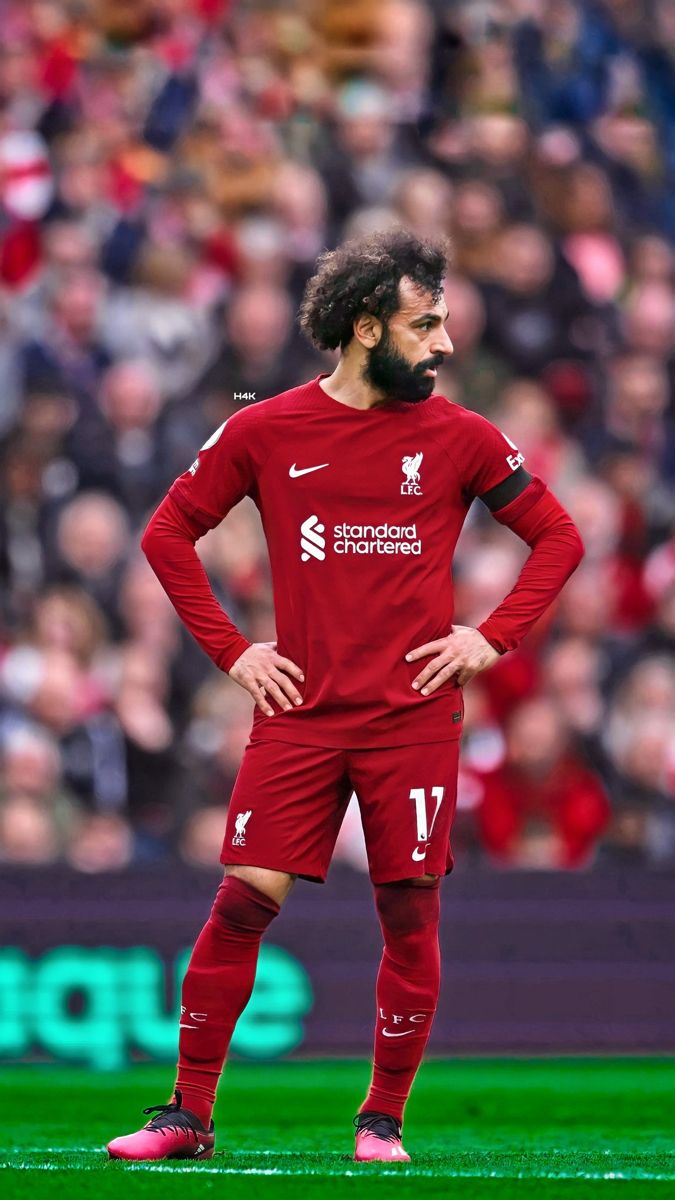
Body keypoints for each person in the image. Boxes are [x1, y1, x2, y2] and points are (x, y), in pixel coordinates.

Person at [106, 228, 584, 1164]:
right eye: (426, 323)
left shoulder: (462, 438)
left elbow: (558, 537)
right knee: (242, 904)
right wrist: (234, 652)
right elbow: (167, 534)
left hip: (410, 719)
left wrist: (490, 637)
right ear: (366, 328)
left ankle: (381, 1121)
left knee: (408, 914)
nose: (444, 343)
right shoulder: (264, 429)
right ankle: (186, 1117)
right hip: (300, 715)